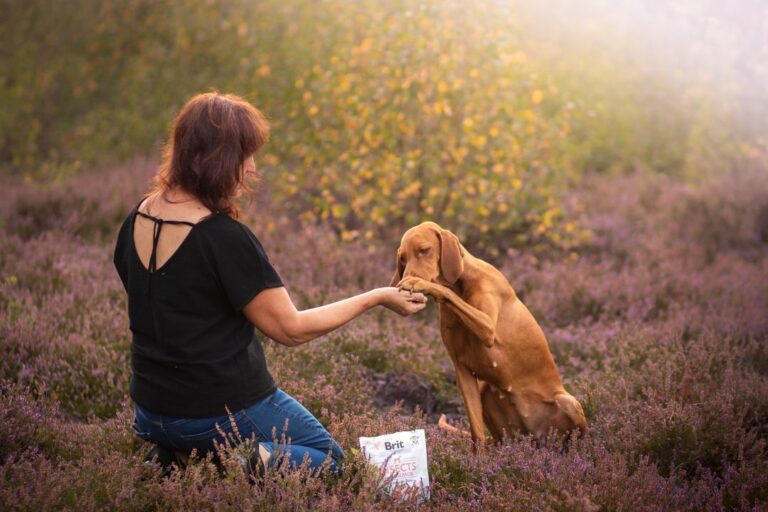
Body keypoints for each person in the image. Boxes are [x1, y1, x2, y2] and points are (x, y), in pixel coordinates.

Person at [113, 92, 427, 476]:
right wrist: (375, 297)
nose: (252, 168)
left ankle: (174, 456)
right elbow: (290, 330)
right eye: (246, 156)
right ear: (221, 160)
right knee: (329, 461)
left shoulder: (137, 217)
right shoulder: (222, 237)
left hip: (150, 411)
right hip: (213, 410)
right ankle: (218, 466)